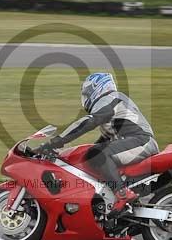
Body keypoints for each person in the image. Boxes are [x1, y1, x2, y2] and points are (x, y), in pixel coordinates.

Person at [39, 72, 159, 219]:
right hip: (135, 141)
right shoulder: (114, 106)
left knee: (98, 155)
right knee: (92, 155)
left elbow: (89, 122)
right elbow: (103, 141)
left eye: (87, 93)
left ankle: (122, 195)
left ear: (99, 87)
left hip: (140, 141)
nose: (86, 97)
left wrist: (56, 141)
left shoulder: (110, 98)